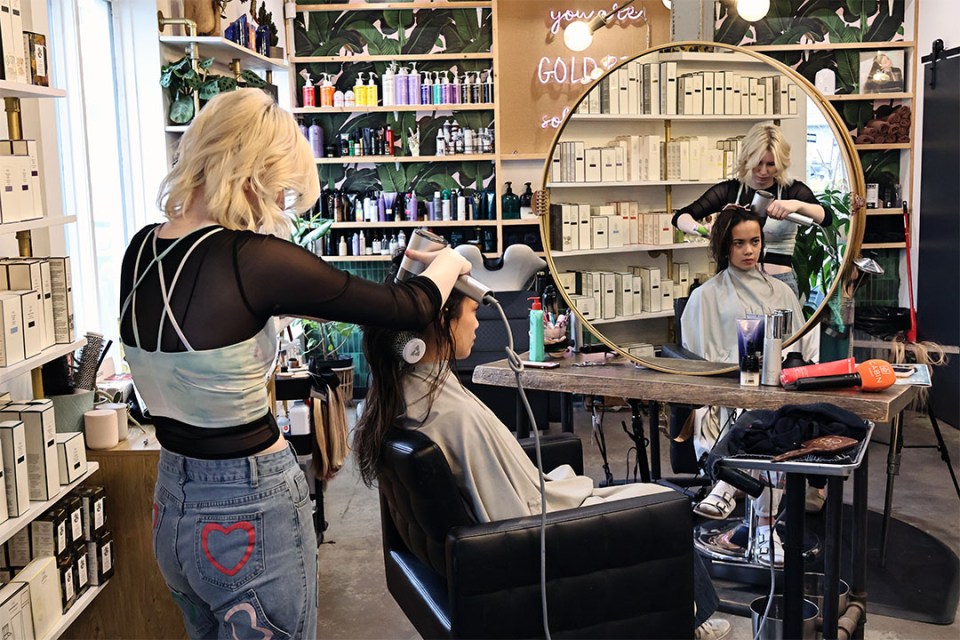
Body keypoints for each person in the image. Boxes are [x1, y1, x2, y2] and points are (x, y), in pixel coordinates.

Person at [118, 89, 471, 639]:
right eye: (281, 190)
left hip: (172, 506)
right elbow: (411, 308)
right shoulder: (249, 260)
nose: (278, 207)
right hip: (248, 503)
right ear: (253, 175)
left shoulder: (140, 250)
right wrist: (451, 261)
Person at [354, 272, 731, 640]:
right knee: (667, 503)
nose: (476, 322)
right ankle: (687, 624)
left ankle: (688, 618)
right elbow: (508, 517)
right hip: (532, 544)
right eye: (471, 312)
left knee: (648, 494)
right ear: (442, 322)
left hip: (500, 536)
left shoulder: (402, 391)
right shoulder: (453, 415)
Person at [681, 204, 819, 564]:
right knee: (761, 425)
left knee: (773, 421)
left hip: (776, 397)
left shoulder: (782, 293)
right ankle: (761, 531)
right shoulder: (705, 297)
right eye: (738, 243)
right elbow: (695, 364)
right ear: (724, 247)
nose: (748, 251)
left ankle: (733, 491)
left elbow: (801, 349)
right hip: (723, 400)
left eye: (754, 242)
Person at [673, 123, 829, 298]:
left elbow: (825, 217)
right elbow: (680, 217)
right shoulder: (730, 190)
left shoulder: (792, 191)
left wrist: (796, 205)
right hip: (735, 284)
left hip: (779, 283)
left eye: (771, 164)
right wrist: (704, 230)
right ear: (747, 159)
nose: (763, 171)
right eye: (758, 163)